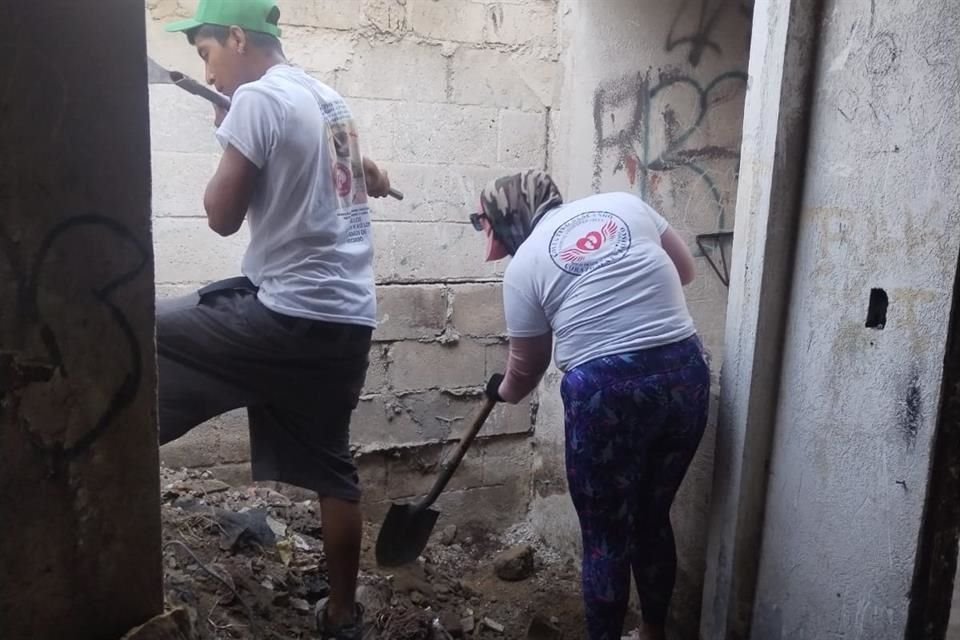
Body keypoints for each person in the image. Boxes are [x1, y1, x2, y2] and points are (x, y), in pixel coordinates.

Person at [160, 1, 389, 638]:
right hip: (345, 322)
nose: (208, 74)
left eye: (207, 54)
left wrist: (222, 128)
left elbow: (221, 216)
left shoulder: (259, 100)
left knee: (137, 328)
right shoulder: (328, 99)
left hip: (284, 317)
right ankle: (342, 616)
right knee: (333, 469)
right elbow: (350, 176)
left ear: (238, 37)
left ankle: (104, 458)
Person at [472, 171, 710, 640]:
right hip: (684, 375)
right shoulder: (626, 204)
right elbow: (685, 272)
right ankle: (653, 633)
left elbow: (526, 370)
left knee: (606, 538)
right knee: (652, 515)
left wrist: (499, 392)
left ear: (509, 219)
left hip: (607, 394)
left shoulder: (524, 268)